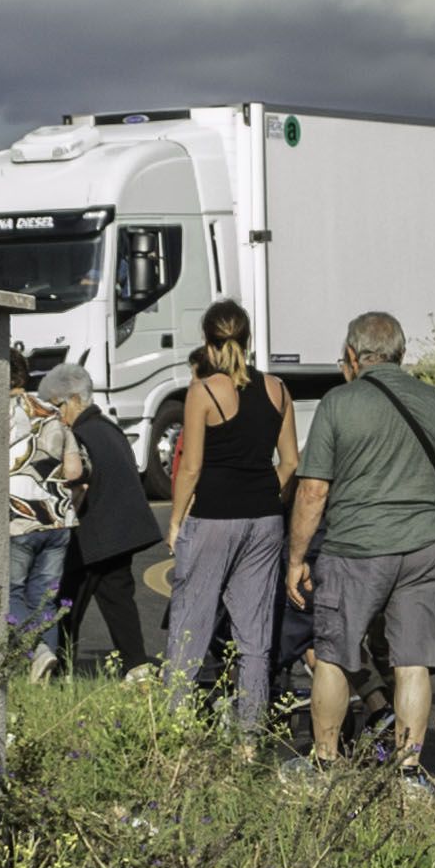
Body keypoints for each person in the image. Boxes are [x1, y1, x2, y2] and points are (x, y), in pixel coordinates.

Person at [282, 310, 435, 771]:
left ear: (352, 354)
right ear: (401, 353)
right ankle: (408, 770)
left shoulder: (338, 403)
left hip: (355, 547)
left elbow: (313, 490)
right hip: (424, 545)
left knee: (333, 655)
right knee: (413, 662)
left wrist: (297, 558)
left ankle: (326, 764)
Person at [157, 305, 291, 720]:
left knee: (190, 626)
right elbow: (290, 462)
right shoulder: (278, 389)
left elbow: (191, 467)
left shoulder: (204, 391)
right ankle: (249, 733)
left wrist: (176, 521)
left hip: (213, 516)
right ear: (247, 339)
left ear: (207, 341)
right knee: (254, 634)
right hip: (265, 518)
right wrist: (262, 491)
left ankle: (177, 726)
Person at [45, 357, 150, 675]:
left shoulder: (79, 435)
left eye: (57, 406)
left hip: (93, 535)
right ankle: (137, 668)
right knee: (118, 601)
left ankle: (59, 672)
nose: (56, 415)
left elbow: (77, 484)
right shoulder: (109, 428)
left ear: (75, 399)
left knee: (67, 604)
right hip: (123, 530)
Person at [0, 352, 85, 658]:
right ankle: (45, 666)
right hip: (57, 518)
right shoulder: (51, 412)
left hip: (19, 517)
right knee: (45, 599)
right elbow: (74, 471)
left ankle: (38, 652)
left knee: (12, 593)